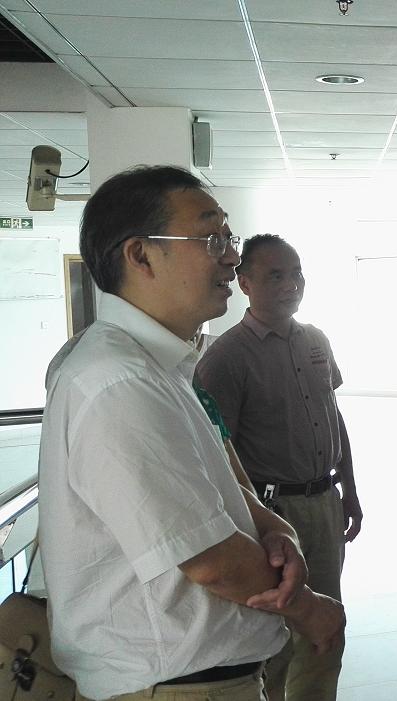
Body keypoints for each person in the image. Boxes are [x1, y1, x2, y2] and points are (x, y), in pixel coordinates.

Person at [38, 165, 344, 701]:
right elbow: (210, 559)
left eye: (229, 237)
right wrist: (308, 609)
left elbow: (222, 484)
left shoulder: (162, 367)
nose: (231, 256)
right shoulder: (117, 380)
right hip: (171, 685)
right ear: (141, 255)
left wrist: (278, 531)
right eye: (211, 238)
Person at [196, 234, 361, 701]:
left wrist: (349, 489)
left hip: (323, 500)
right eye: (275, 276)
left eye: (296, 274)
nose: (291, 284)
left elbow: (333, 417)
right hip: (270, 515)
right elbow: (216, 453)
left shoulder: (316, 340)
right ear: (245, 283)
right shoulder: (227, 358)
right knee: (277, 636)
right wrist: (250, 523)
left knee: (325, 627)